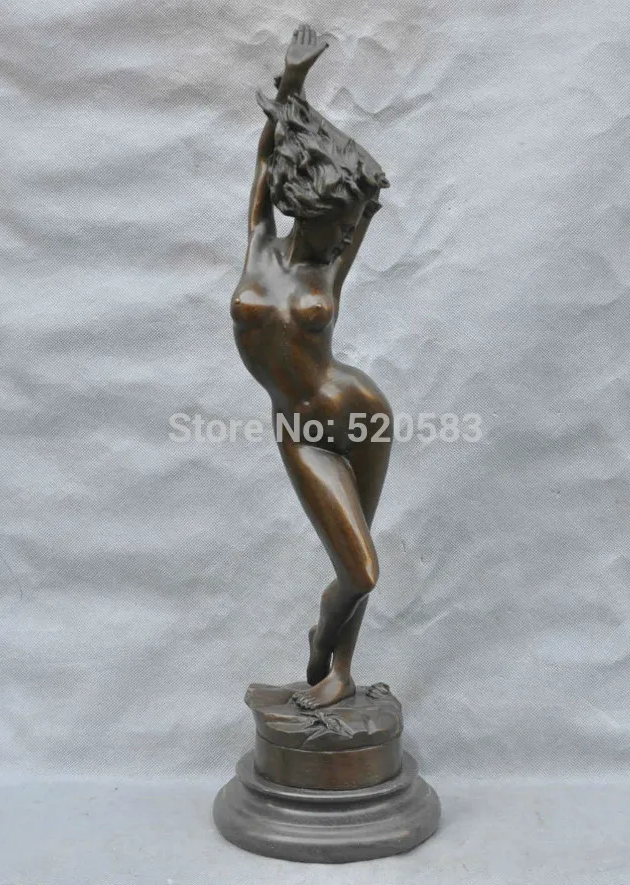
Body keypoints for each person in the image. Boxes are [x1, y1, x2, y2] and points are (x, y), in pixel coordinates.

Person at [230, 24, 393, 709]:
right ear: (309, 208)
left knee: (358, 566)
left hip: (364, 416)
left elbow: (372, 190)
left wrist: (360, 188)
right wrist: (291, 85)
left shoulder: (332, 266)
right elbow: (265, 162)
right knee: (358, 569)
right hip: (301, 431)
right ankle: (322, 650)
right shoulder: (259, 243)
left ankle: (337, 668)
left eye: (351, 225)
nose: (346, 234)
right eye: (339, 222)